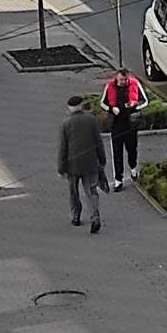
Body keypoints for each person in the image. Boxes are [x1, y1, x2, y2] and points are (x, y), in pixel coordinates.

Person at [58, 96, 105, 233]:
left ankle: (76, 216)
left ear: (69, 108)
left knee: (74, 192)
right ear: (82, 106)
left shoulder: (65, 124)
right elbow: (99, 142)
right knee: (91, 191)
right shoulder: (91, 120)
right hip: (90, 162)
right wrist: (102, 159)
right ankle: (95, 216)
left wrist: (61, 168)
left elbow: (63, 148)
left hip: (72, 165)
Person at [102, 66, 148, 190]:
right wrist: (112, 109)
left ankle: (133, 168)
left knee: (132, 149)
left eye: (125, 80)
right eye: (121, 80)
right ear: (117, 78)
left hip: (130, 125)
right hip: (116, 125)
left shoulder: (134, 84)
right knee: (117, 153)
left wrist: (135, 105)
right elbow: (103, 103)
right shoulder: (110, 86)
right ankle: (118, 179)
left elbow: (145, 101)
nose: (124, 82)